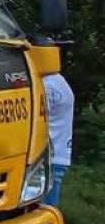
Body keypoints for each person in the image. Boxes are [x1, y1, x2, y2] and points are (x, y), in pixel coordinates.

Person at [44, 71, 74, 206]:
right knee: (48, 207)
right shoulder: (58, 81)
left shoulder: (46, 86)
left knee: (40, 210)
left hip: (46, 158)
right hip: (58, 153)